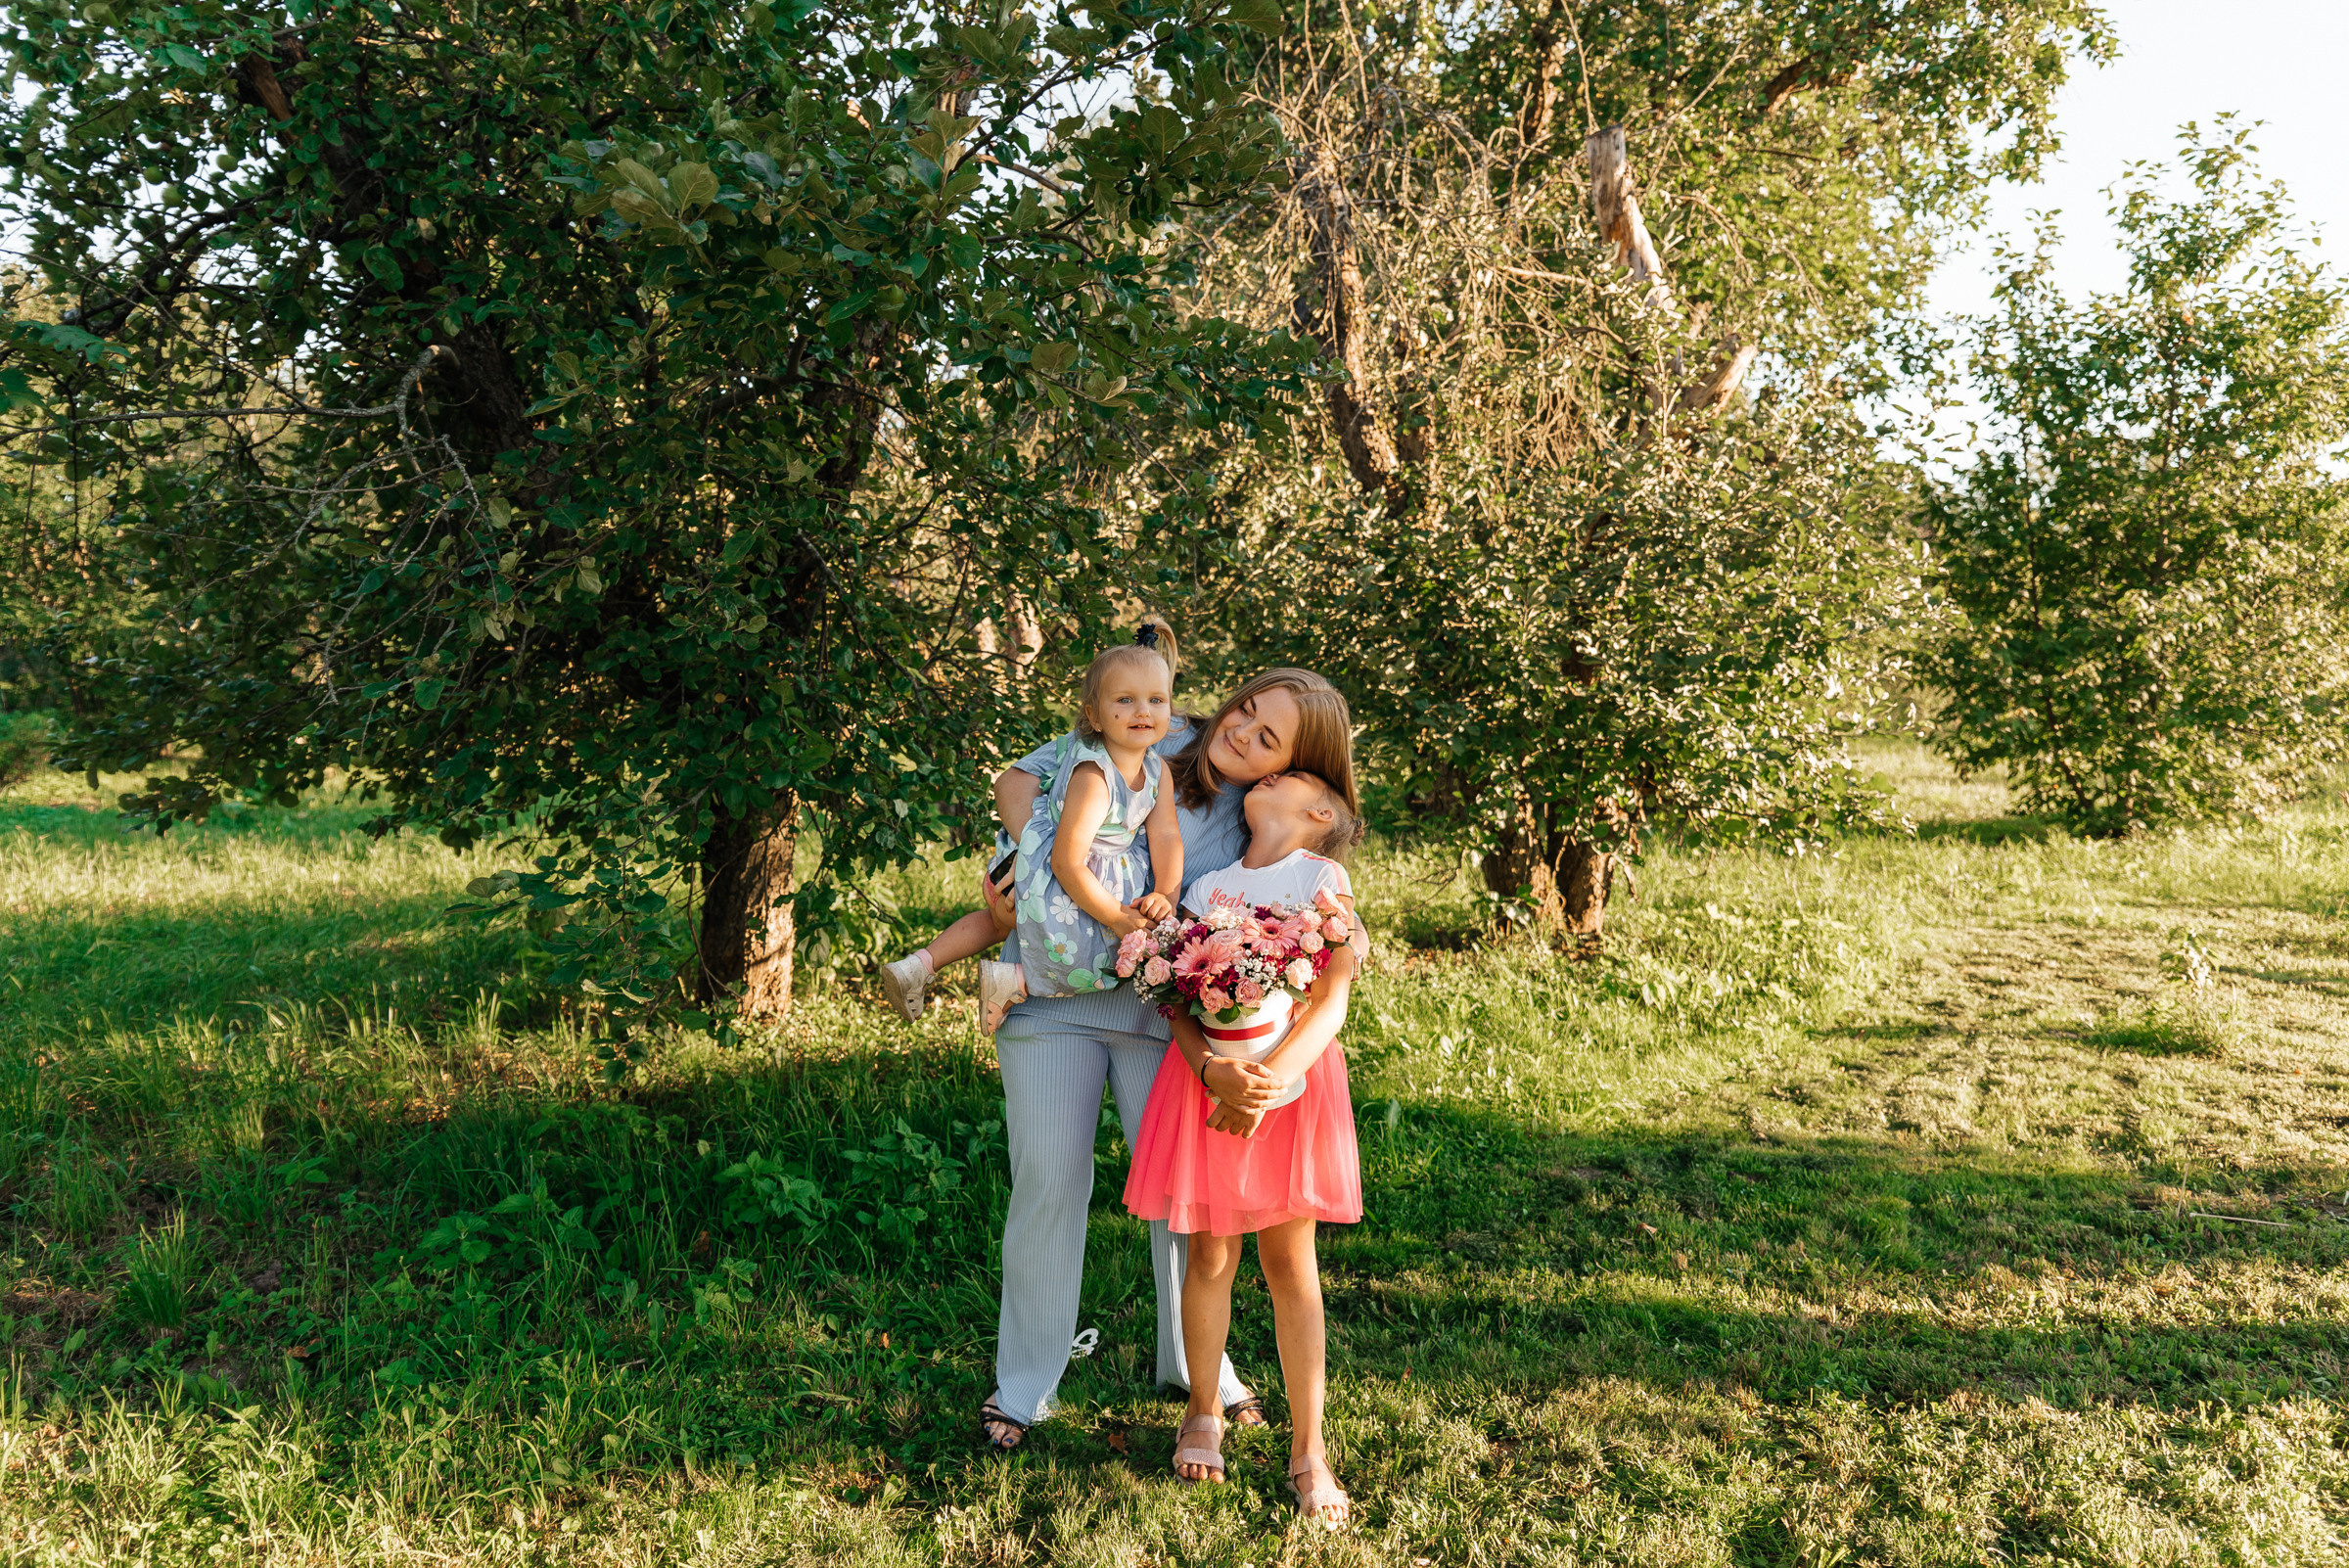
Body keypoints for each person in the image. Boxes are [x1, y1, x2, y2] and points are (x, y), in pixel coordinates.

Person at [974, 669, 1363, 1455]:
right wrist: (1026, 855)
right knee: (1050, 1178)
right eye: (1245, 709)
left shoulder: (1266, 825)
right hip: (1057, 1004)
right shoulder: (1156, 731)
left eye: (1269, 739)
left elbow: (1312, 952)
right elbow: (1018, 780)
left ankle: (1199, 1371)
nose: (1241, 732)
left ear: (1298, 770)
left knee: (1197, 1207)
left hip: (1171, 1022)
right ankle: (1024, 1381)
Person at [1123, 769, 1364, 1526]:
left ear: (1319, 810)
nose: (1267, 775)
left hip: (1291, 1087)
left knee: (1291, 1261)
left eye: (1289, 774)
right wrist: (1212, 1072)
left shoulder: (1323, 876)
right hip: (1208, 1083)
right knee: (1210, 1255)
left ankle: (1310, 1447)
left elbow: (1333, 997)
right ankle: (1202, 1409)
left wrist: (1268, 1086)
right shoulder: (1208, 886)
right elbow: (1175, 999)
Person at [879, 621, 1181, 1029]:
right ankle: (1014, 980)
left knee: (999, 923)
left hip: (1033, 869)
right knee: (1115, 943)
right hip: (1052, 872)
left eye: (1156, 699)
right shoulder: (1095, 776)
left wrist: (1166, 891)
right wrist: (1115, 915)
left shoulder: (1157, 768)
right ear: (1093, 715)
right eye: (1125, 699)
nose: (1143, 710)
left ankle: (919, 965)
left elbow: (1165, 834)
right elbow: (1068, 863)